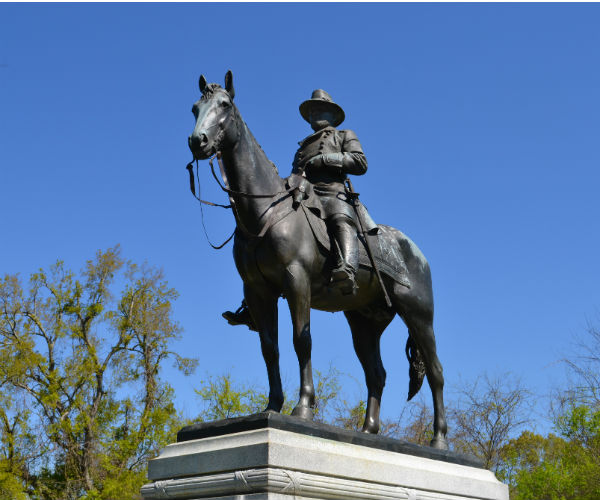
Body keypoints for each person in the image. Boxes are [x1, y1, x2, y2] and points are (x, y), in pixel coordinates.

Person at [223, 89, 368, 330]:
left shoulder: (343, 135)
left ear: (332, 114)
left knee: (339, 217)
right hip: (305, 194)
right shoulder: (302, 148)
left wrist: (326, 160)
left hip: (332, 192)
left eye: (318, 109)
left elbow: (360, 162)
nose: (313, 114)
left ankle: (348, 269)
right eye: (310, 111)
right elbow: (296, 173)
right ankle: (253, 304)